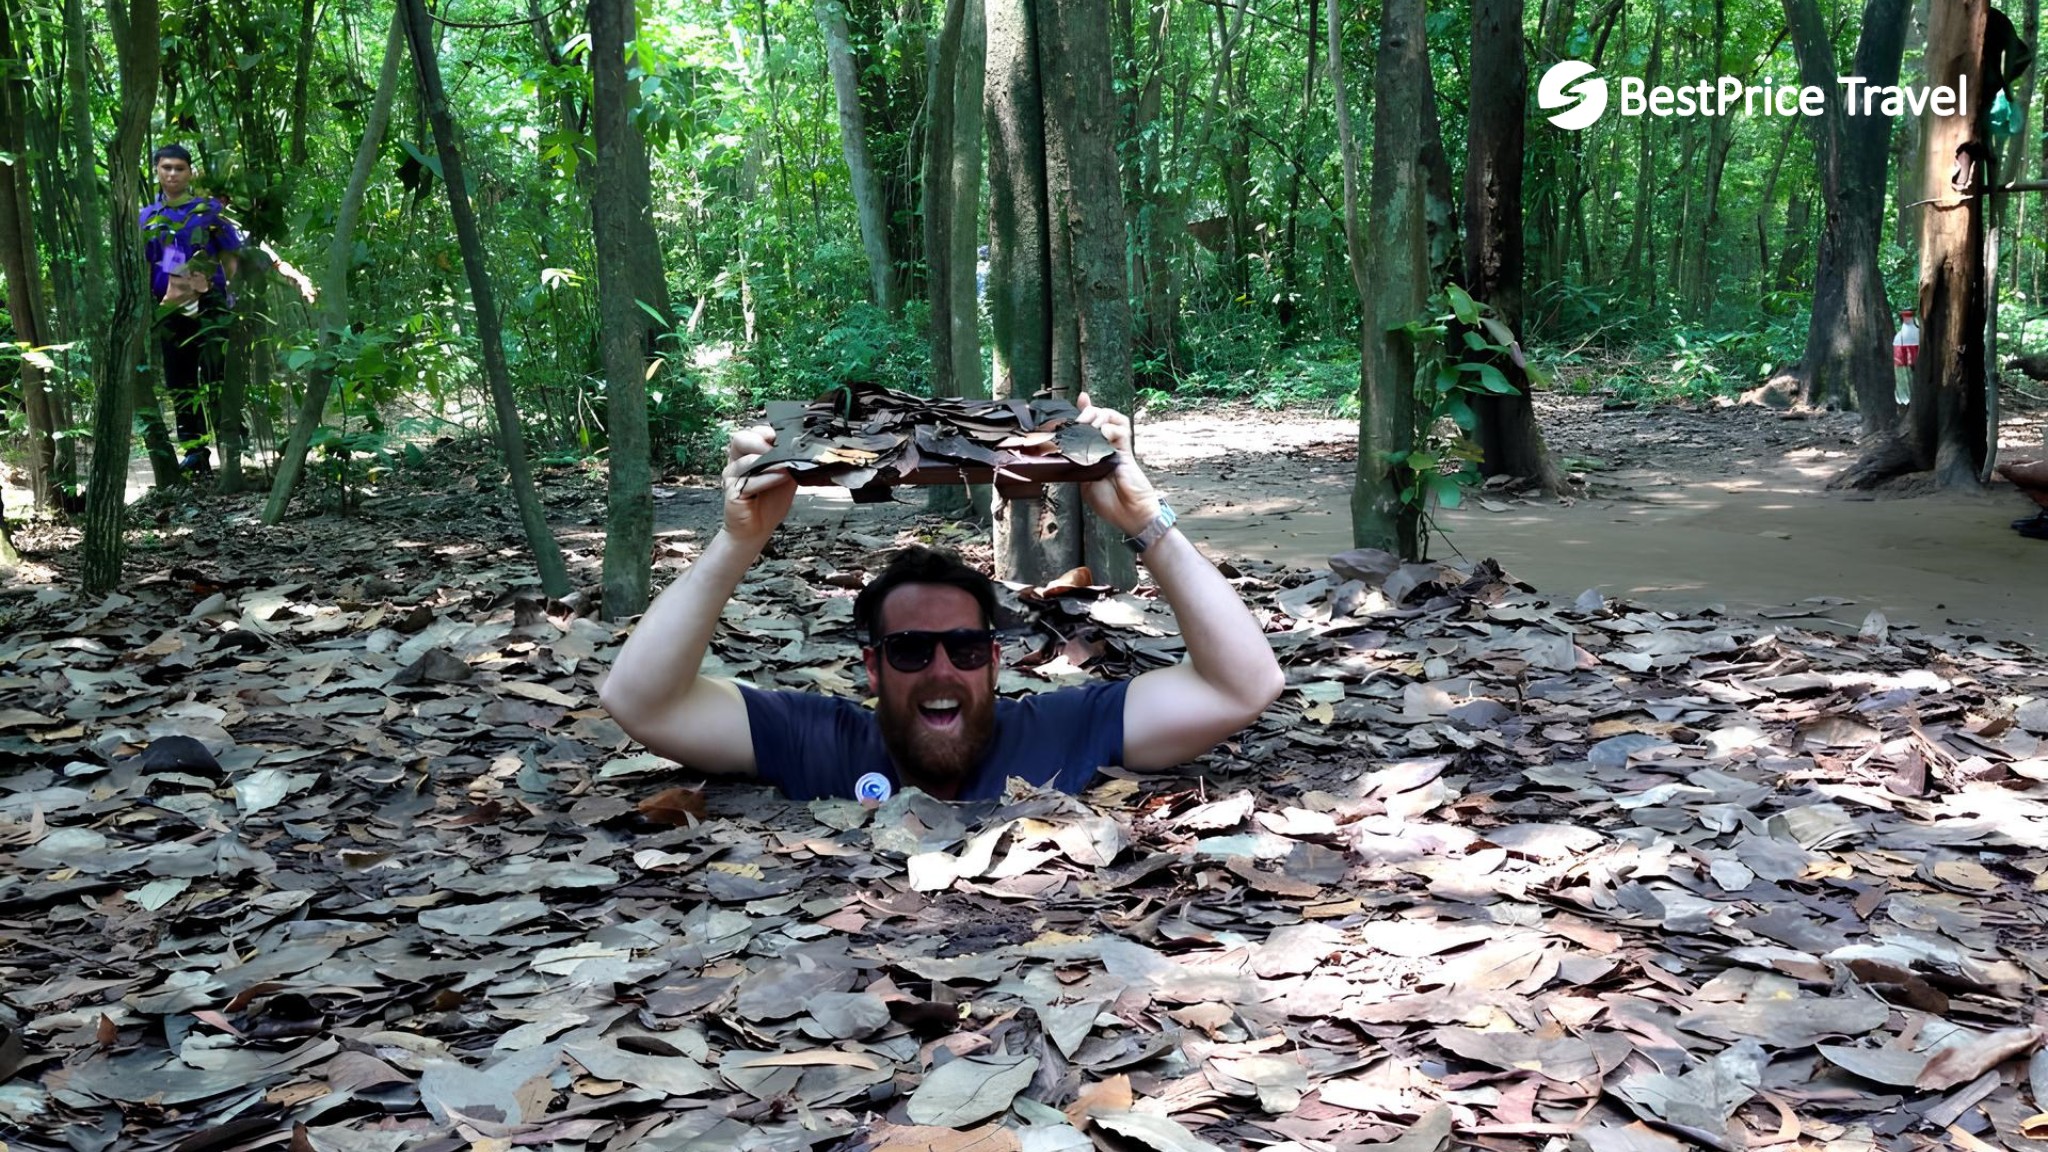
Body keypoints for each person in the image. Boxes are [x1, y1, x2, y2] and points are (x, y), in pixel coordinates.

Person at [600, 395, 1287, 802]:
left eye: (964, 648)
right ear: (872, 667)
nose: (940, 669)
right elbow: (644, 702)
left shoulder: (1053, 732)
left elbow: (1242, 686)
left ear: (994, 662)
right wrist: (738, 541)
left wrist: (1146, 521)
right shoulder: (826, 744)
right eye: (909, 650)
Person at [140, 144, 243, 478]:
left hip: (211, 305)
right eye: (166, 167)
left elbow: (230, 257)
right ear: (157, 170)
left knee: (218, 376)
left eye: (179, 168)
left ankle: (231, 445)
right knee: (180, 380)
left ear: (190, 172)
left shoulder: (209, 211)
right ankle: (195, 452)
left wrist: (230, 297)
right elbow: (146, 263)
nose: (172, 174)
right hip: (170, 308)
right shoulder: (146, 216)